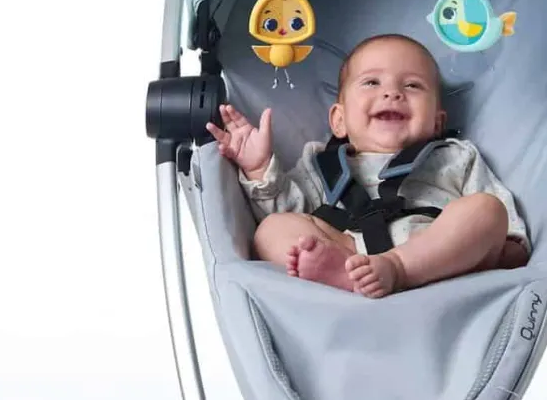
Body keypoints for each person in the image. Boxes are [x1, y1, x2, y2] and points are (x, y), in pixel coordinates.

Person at [206, 33, 530, 298]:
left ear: (437, 122)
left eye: (413, 85)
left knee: (486, 209)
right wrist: (259, 168)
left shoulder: (456, 155)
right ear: (339, 119)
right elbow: (285, 210)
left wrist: (498, 245)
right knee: (271, 229)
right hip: (348, 250)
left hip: (432, 257)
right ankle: (350, 274)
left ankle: (396, 268)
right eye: (372, 82)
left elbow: (508, 236)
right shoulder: (322, 163)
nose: (392, 93)